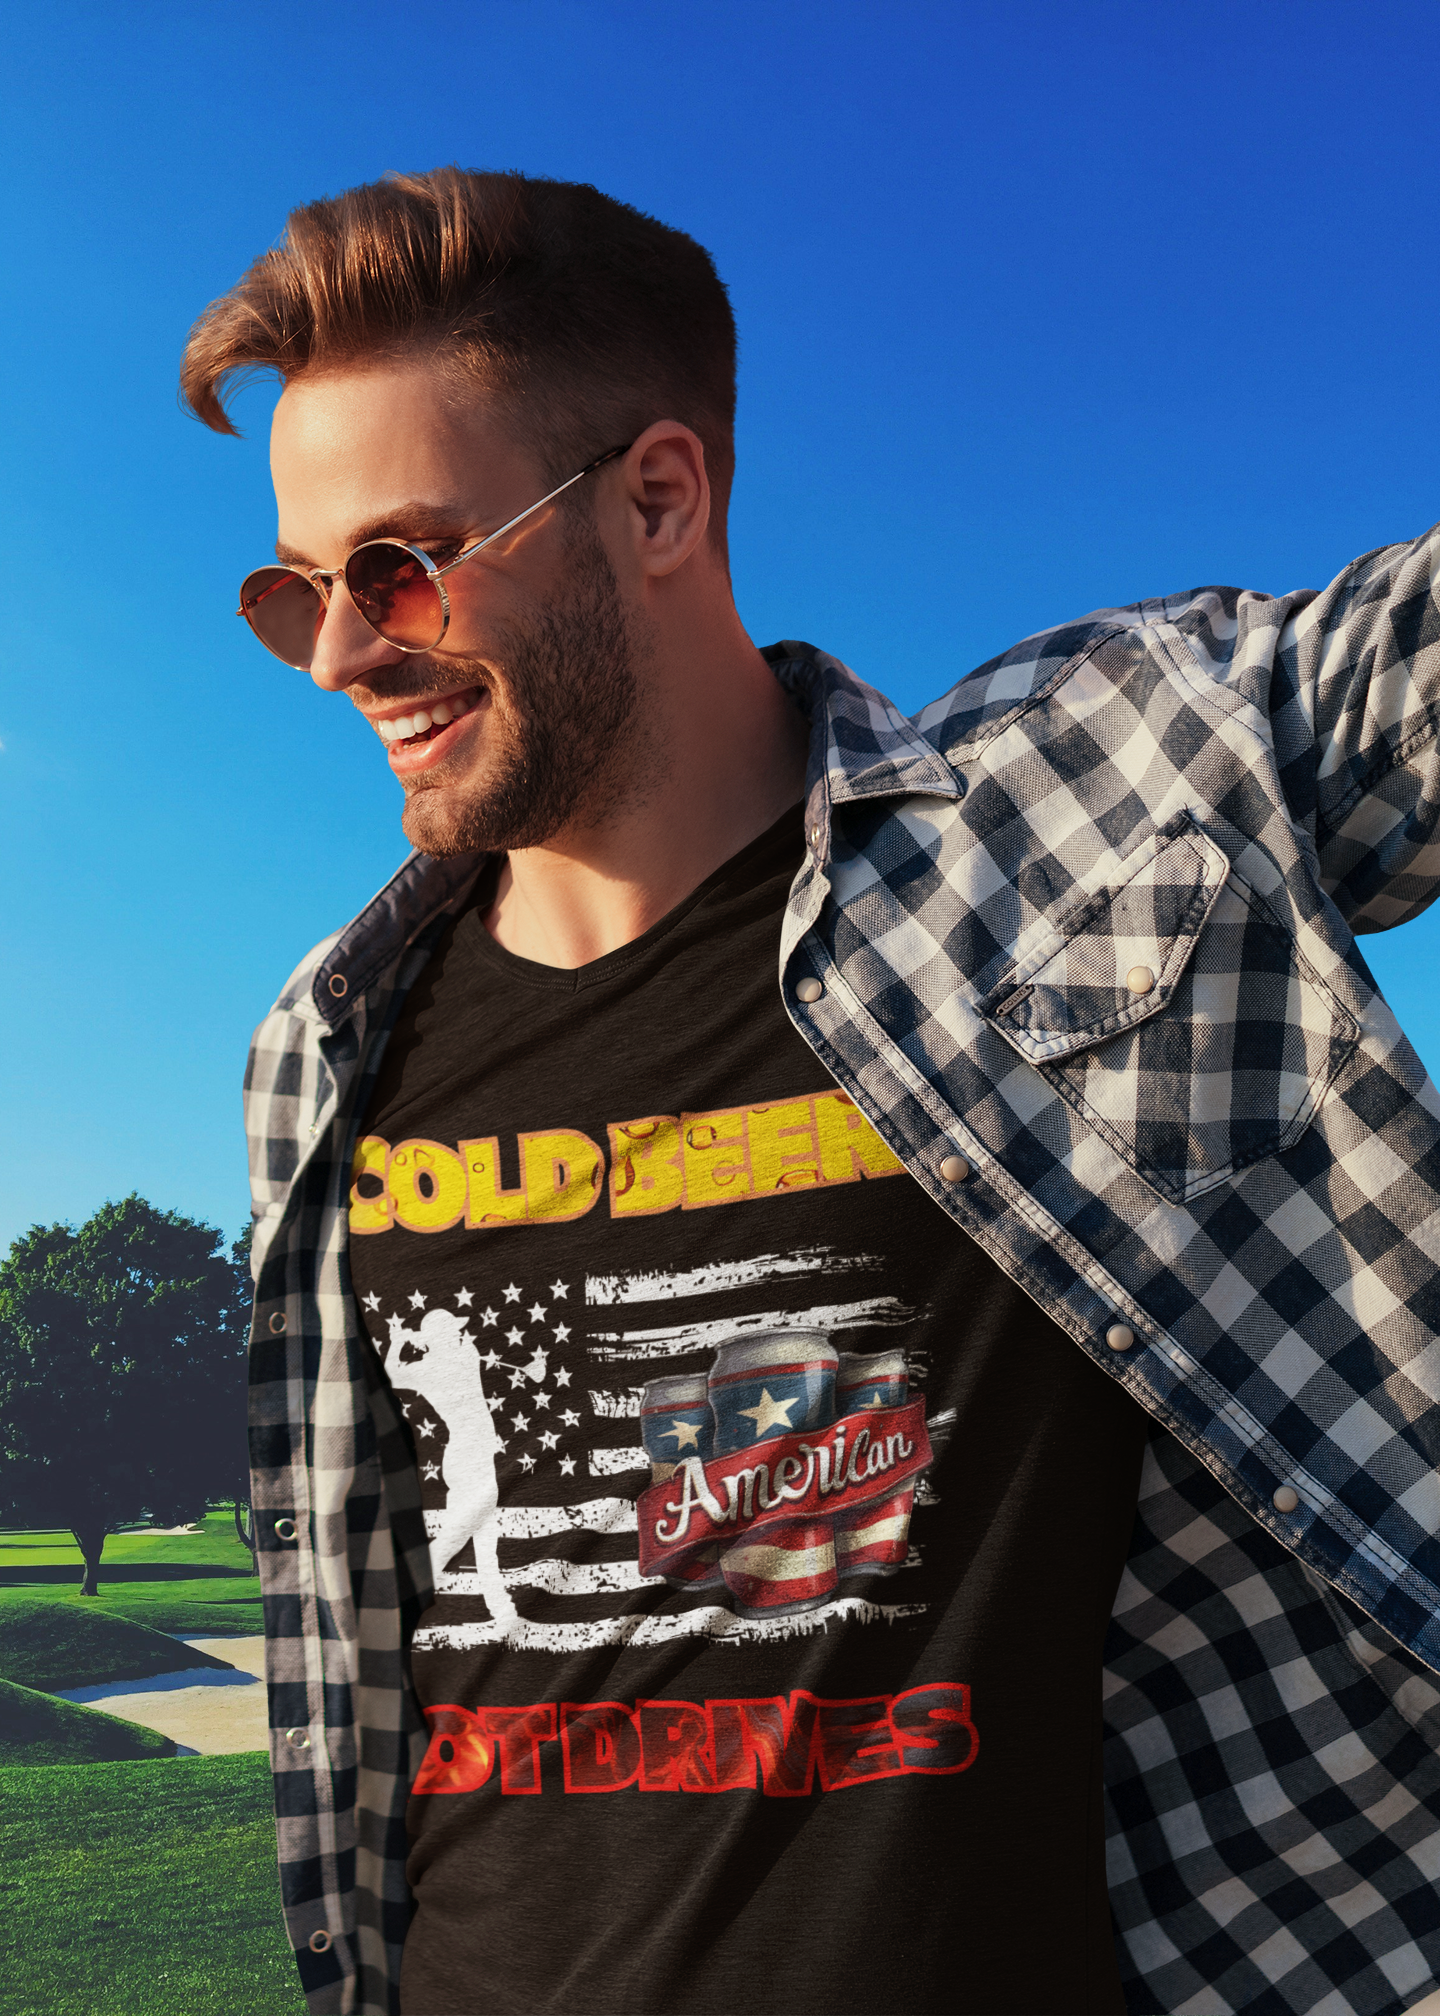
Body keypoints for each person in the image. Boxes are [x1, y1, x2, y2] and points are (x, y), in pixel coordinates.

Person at [183, 167, 1440, 2016]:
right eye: (297, 593)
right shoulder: (328, 1045)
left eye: (401, 565)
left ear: (662, 497)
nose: (347, 654)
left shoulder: (1082, 811)